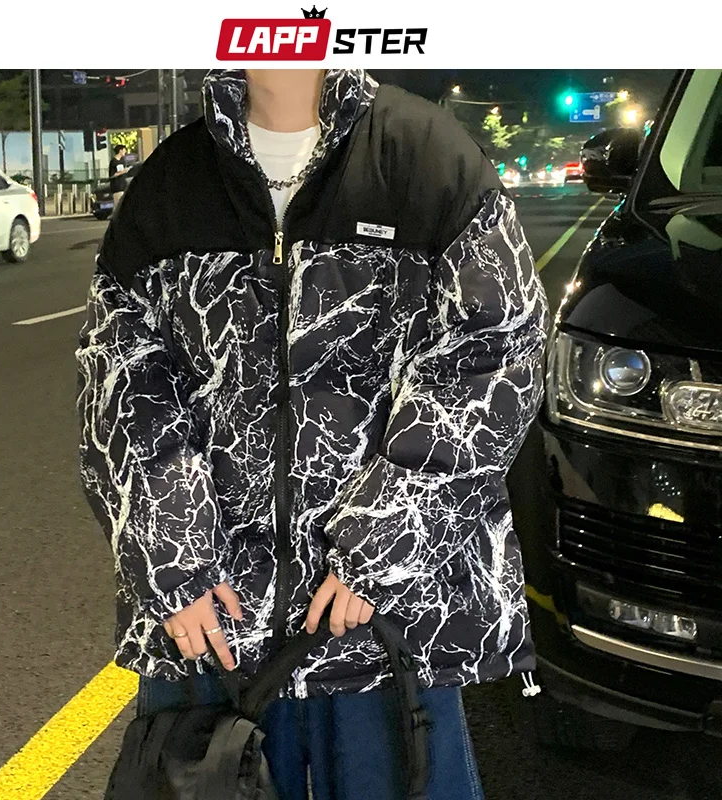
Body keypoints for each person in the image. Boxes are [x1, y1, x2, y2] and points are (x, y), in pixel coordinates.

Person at [76, 68, 549, 800]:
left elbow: (495, 353)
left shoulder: (426, 157)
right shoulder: (172, 181)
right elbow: (121, 384)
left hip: (382, 624)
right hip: (214, 625)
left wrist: (380, 547)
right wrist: (176, 562)